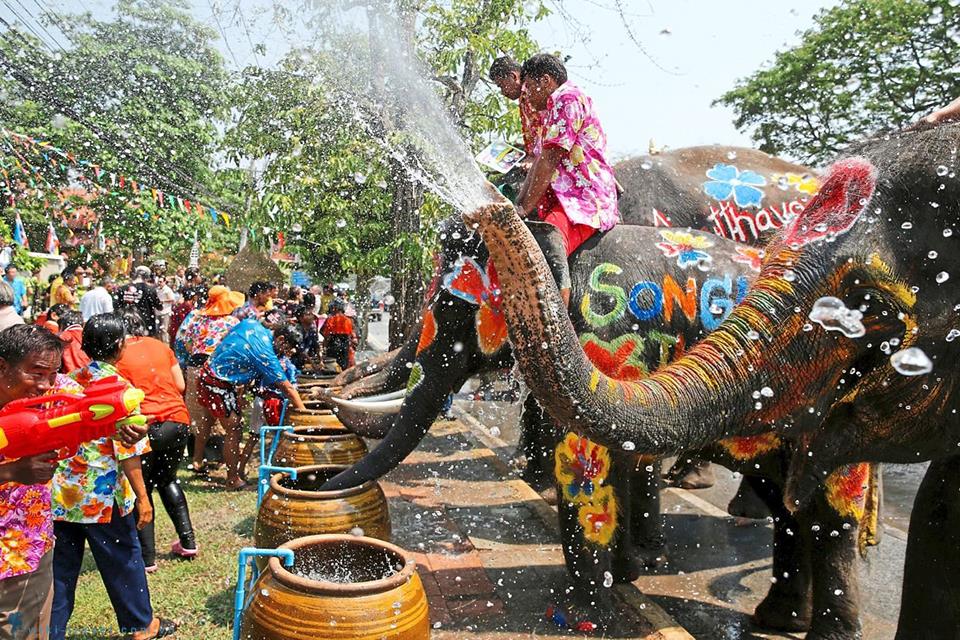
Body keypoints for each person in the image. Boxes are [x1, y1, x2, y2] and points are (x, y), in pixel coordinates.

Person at [50, 314, 176, 640]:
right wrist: (144, 500)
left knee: (60, 570)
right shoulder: (120, 390)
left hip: (62, 494)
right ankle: (141, 626)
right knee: (123, 560)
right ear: (119, 346)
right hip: (101, 495)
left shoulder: (67, 382)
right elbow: (128, 451)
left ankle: (49, 632)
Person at [515, 53, 620, 307]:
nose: (526, 95)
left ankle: (556, 329)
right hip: (565, 196)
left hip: (583, 200)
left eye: (528, 87)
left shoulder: (567, 99)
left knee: (544, 248)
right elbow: (540, 162)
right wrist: (518, 205)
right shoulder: (551, 109)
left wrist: (522, 208)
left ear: (546, 81)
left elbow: (550, 159)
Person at [0, 326, 76, 640]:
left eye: (53, 374)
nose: (45, 385)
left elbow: (95, 405)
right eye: (36, 373)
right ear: (2, 367)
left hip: (29, 549)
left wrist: (125, 422)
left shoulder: (48, 393)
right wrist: (11, 472)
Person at [117, 310, 198, 573]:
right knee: (169, 479)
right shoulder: (161, 346)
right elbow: (180, 385)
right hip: (177, 420)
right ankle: (188, 542)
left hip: (146, 426)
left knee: (144, 489)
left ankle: (147, 559)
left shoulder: (117, 355)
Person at [196, 319, 307, 490]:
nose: (287, 353)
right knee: (234, 429)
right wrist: (306, 416)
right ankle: (233, 480)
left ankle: (197, 460)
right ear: (281, 339)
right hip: (217, 383)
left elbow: (228, 338)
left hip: (207, 372)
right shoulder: (265, 353)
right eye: (287, 348)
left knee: (208, 420)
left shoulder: (252, 324)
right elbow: (288, 389)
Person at [174, 285, 243, 474]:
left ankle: (197, 459)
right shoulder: (232, 322)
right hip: (218, 371)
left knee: (201, 416)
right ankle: (225, 462)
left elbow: (184, 343)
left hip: (195, 368)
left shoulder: (195, 319)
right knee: (227, 418)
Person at [489, 55, 543, 155]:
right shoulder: (523, 98)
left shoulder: (532, 93)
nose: (503, 92)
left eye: (501, 85)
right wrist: (525, 149)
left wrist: (535, 158)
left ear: (513, 76)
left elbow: (546, 132)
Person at [115, 266, 162, 337]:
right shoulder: (150, 290)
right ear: (147, 276)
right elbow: (159, 307)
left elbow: (116, 307)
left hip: (126, 324)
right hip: (146, 324)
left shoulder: (123, 288)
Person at [322, 299, 355, 371]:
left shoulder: (331, 319)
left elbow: (328, 336)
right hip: (344, 345)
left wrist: (324, 346)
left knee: (332, 366)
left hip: (333, 345)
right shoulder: (348, 320)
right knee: (343, 366)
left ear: (335, 308)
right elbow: (349, 335)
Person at [57, 310, 90, 374]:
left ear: (61, 326)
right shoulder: (90, 335)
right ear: (82, 324)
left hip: (68, 378)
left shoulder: (60, 337)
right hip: (89, 375)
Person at [155, 276, 175, 344]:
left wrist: (163, 301)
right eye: (159, 282)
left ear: (164, 282)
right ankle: (158, 343)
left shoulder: (167, 290)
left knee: (164, 329)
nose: (159, 283)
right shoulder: (157, 289)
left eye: (161, 282)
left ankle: (165, 343)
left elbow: (172, 299)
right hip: (158, 311)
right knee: (157, 329)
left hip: (165, 312)